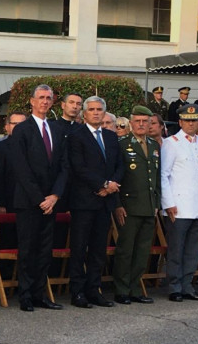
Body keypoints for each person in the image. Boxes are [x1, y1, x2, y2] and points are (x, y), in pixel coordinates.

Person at [10, 84, 70, 312]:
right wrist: (39, 199)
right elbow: (21, 169)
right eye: (41, 98)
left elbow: (64, 166)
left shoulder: (56, 129)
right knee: (28, 250)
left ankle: (40, 294)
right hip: (29, 202)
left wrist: (54, 195)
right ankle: (25, 296)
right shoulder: (22, 130)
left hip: (51, 202)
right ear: (32, 101)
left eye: (48, 98)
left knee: (45, 251)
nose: (45, 101)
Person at [66, 96, 123, 309]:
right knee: (79, 248)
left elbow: (119, 164)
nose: (96, 113)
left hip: (105, 201)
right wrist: (102, 184)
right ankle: (77, 292)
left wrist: (112, 184)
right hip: (84, 200)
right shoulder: (76, 136)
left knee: (99, 249)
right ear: (84, 113)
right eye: (91, 109)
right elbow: (78, 167)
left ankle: (94, 290)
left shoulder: (110, 136)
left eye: (100, 109)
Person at [113, 106, 160, 305]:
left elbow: (156, 178)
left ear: (151, 123)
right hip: (129, 206)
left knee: (142, 251)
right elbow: (115, 176)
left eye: (145, 121)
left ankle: (134, 288)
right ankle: (121, 290)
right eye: (138, 121)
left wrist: (156, 203)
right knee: (126, 250)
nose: (141, 124)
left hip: (149, 206)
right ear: (131, 123)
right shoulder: (122, 144)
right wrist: (117, 205)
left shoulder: (154, 145)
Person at [160, 104, 198, 302]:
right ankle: (174, 286)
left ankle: (187, 286)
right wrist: (168, 203)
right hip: (178, 206)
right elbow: (163, 175)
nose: (191, 124)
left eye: (194, 120)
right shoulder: (172, 142)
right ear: (180, 122)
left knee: (193, 250)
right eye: (187, 120)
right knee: (176, 250)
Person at [0, 111, 26, 214]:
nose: (19, 127)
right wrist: (0, 204)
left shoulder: (34, 147)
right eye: (15, 124)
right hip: (8, 204)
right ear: (7, 127)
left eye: (22, 124)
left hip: (29, 204)